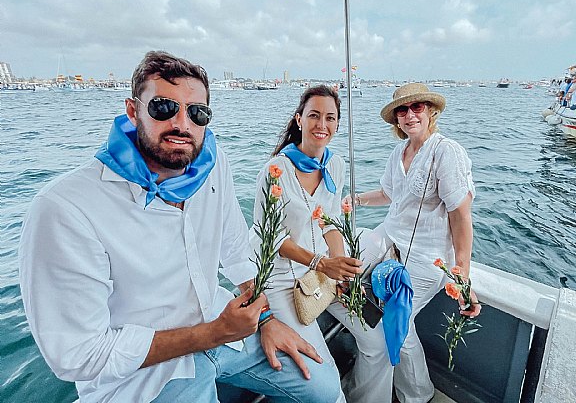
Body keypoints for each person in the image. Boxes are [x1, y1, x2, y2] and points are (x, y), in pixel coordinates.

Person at [19, 51, 341, 403]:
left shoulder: (212, 166)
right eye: (163, 108)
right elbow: (79, 355)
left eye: (197, 113)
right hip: (144, 375)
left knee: (324, 389)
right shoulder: (67, 208)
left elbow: (235, 250)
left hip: (223, 328)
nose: (182, 124)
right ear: (132, 110)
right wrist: (213, 333)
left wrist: (264, 319)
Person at [252, 85, 393, 403]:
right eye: (314, 115)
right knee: (324, 380)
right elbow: (269, 236)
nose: (322, 124)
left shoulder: (336, 165)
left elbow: (330, 222)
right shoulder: (275, 171)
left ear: (337, 125)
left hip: (323, 275)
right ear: (299, 119)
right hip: (284, 281)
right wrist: (320, 263)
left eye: (330, 118)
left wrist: (339, 268)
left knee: (379, 343)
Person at [344, 83, 481, 403]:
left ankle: (418, 394)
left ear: (430, 111)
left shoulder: (446, 151)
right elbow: (390, 194)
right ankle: (370, 363)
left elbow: (461, 215)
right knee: (343, 269)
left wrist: (462, 271)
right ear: (396, 120)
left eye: (416, 108)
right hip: (388, 237)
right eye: (402, 111)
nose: (409, 115)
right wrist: (356, 200)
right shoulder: (399, 152)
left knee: (399, 325)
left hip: (426, 256)